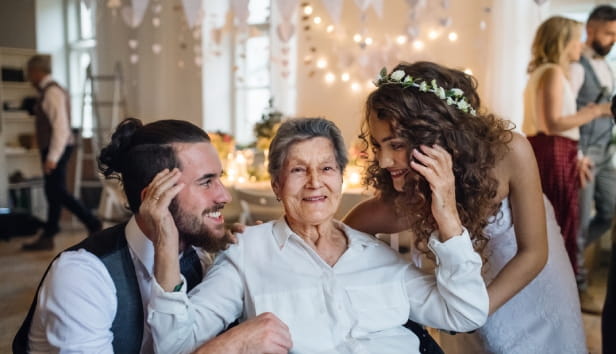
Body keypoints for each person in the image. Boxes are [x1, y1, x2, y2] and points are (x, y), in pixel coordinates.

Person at [146, 117, 489, 354]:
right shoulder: (247, 252)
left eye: (326, 168)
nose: (314, 182)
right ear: (277, 185)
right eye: (298, 170)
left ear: (340, 178)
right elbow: (177, 343)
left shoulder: (379, 256)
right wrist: (165, 242)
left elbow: (465, 313)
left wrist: (448, 217)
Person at [343, 61, 586, 353]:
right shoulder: (408, 194)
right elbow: (345, 232)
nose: (383, 160)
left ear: (435, 134)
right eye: (378, 146)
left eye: (395, 145)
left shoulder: (510, 153)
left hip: (530, 279)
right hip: (466, 300)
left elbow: (534, 253)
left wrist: (477, 311)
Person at [13, 118, 290, 353]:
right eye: (206, 182)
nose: (224, 195)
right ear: (155, 199)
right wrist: (229, 347)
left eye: (219, 178)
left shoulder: (203, 258)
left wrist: (250, 267)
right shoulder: (81, 276)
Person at [522, 16, 610, 274]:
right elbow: (552, 123)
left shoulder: (550, 72)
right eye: (577, 39)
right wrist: (597, 111)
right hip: (554, 150)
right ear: (563, 42)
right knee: (559, 220)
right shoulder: (551, 72)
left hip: (558, 149)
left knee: (560, 220)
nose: (581, 45)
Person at [22, 55, 101, 251]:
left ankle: (91, 222)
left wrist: (52, 158)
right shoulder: (48, 92)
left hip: (57, 149)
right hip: (56, 148)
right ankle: (50, 233)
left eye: (30, 73)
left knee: (57, 191)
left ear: (37, 72)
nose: (29, 77)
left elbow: (61, 128)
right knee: (53, 192)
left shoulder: (51, 93)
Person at [570, 4, 616, 314]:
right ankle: (579, 288)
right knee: (579, 225)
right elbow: (565, 113)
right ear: (591, 29)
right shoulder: (575, 65)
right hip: (583, 154)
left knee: (609, 213)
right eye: (609, 33)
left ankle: (568, 257)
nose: (613, 40)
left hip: (606, 153)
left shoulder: (608, 65)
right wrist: (579, 154)